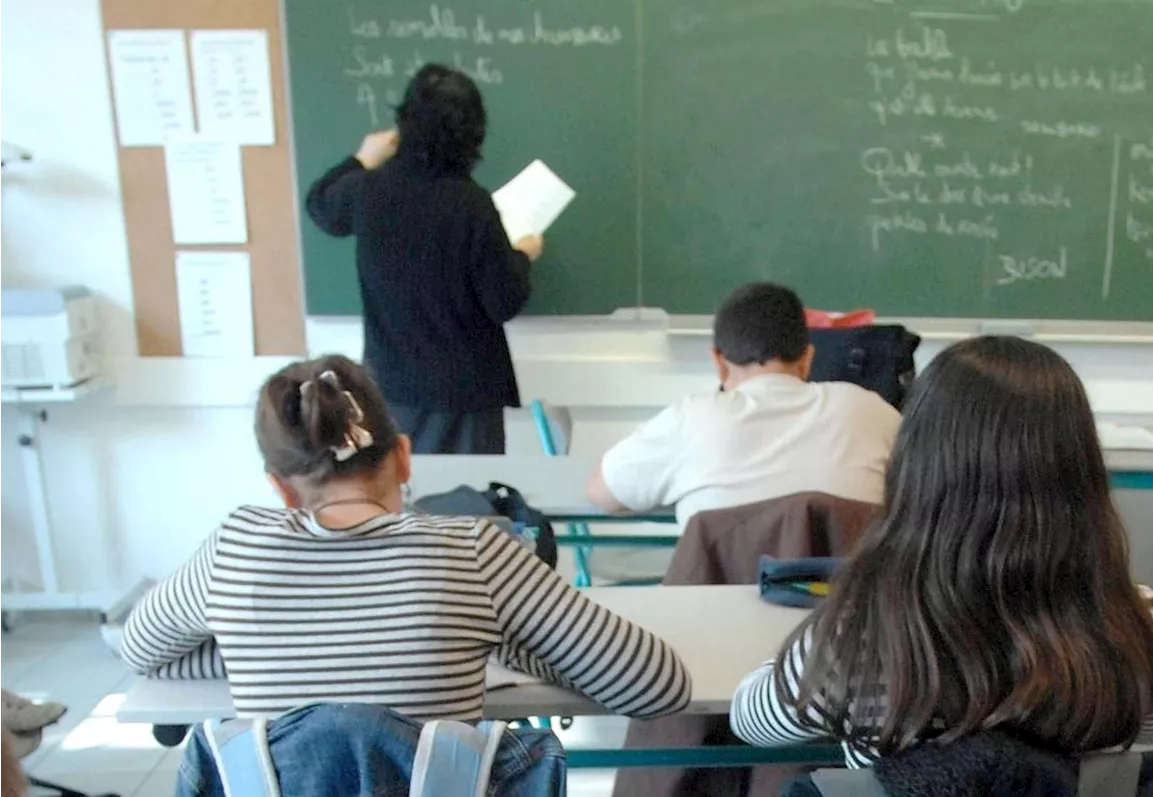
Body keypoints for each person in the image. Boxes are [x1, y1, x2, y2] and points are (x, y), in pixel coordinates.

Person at [119, 355, 691, 722]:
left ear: (280, 488)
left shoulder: (233, 553)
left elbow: (141, 652)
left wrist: (271, 652)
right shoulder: (472, 553)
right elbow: (657, 686)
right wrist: (495, 644)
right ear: (403, 456)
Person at [729, 336, 1153, 767]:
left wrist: (822, 628)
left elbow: (750, 720)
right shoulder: (1136, 622)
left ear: (915, 472)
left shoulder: (858, 638)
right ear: (1080, 476)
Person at [306, 64, 542, 454]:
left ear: (405, 125)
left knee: (400, 505)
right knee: (470, 506)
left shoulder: (369, 190)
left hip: (392, 389)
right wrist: (523, 255)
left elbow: (321, 206)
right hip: (466, 396)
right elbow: (503, 300)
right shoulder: (471, 204)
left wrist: (361, 158)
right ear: (473, 134)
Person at [586, 283, 901, 530]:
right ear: (808, 359)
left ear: (719, 364)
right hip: (849, 608)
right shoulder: (870, 411)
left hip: (718, 609)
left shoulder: (691, 420)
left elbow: (602, 494)